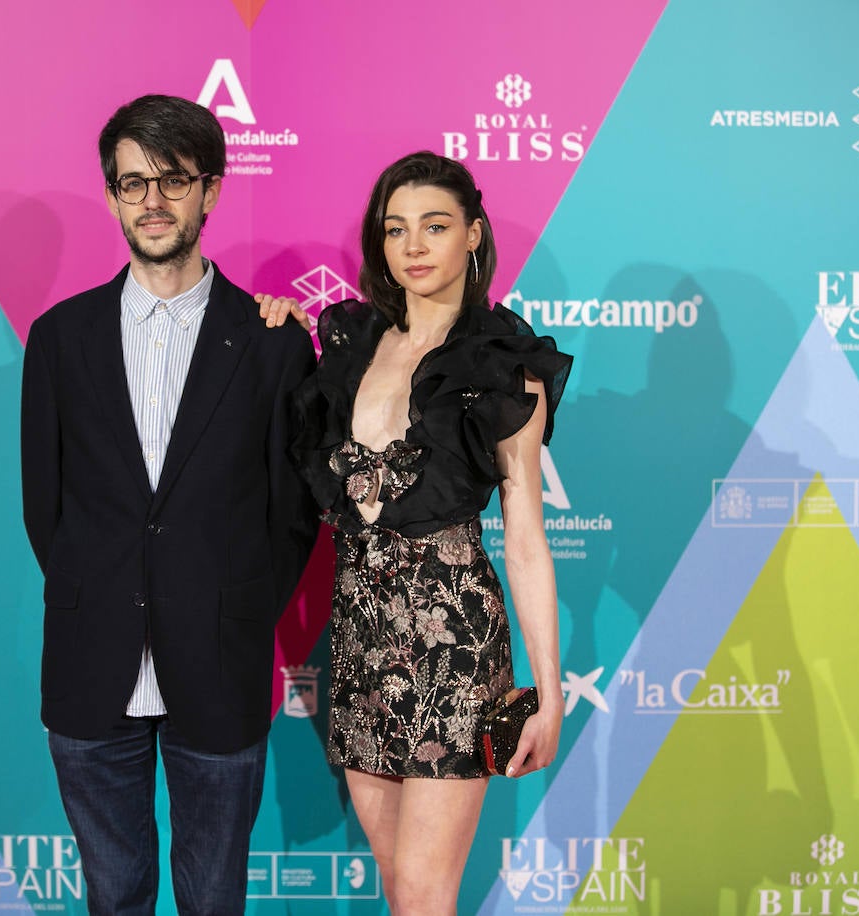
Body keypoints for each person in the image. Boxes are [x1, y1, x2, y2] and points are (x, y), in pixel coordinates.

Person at [20, 94, 319, 915]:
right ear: (113, 196)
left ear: (210, 191)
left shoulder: (273, 341)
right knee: (113, 896)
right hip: (90, 663)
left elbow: (292, 514)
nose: (151, 202)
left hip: (219, 662)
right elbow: (45, 509)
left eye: (171, 181)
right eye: (130, 184)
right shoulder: (58, 338)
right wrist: (106, 587)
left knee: (214, 897)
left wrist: (235, 603)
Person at [260, 151, 571, 914]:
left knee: (427, 895)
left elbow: (526, 536)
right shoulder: (351, 345)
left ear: (474, 233)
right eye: (396, 229)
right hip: (362, 642)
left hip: (453, 649)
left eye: (435, 226)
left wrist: (549, 691)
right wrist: (273, 323)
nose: (414, 246)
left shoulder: (502, 363)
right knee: (400, 888)